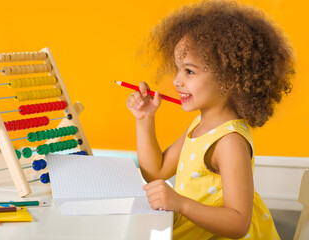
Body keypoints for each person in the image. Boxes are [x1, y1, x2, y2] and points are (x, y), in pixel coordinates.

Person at [126, 0, 295, 239]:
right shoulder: (199, 126)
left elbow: (238, 223)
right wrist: (144, 120)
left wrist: (181, 203)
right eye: (177, 69)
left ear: (229, 79)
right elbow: (156, 172)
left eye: (189, 71)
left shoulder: (230, 142)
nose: (176, 81)